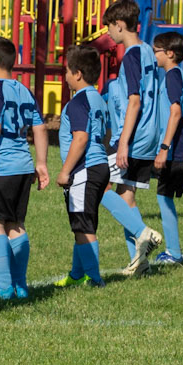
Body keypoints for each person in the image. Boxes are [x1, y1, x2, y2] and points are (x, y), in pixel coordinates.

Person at [0, 35, 49, 301]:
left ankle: (3, 286)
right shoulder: (24, 90)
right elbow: (40, 127)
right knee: (15, 224)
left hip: (2, 167)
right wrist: (41, 163)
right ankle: (20, 285)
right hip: (23, 167)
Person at [100, 0, 163, 275]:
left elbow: (134, 101)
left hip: (135, 135)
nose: (108, 33)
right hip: (149, 134)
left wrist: (123, 142)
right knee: (126, 195)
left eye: (109, 27)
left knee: (99, 186)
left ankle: (142, 231)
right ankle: (140, 263)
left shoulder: (132, 56)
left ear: (119, 25)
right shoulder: (148, 50)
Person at [54, 44, 109, 288]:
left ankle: (94, 278)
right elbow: (106, 133)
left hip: (84, 168)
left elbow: (81, 138)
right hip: (99, 165)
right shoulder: (98, 99)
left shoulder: (78, 102)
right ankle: (77, 274)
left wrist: (65, 171)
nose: (65, 76)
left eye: (66, 71)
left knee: (83, 225)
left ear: (77, 74)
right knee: (84, 221)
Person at [151, 28, 183, 266]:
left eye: (156, 51)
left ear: (169, 53)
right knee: (160, 189)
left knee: (164, 197)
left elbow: (176, 112)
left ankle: (174, 253)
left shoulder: (172, 76)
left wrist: (164, 148)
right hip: (182, 145)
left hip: (175, 146)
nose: (154, 55)